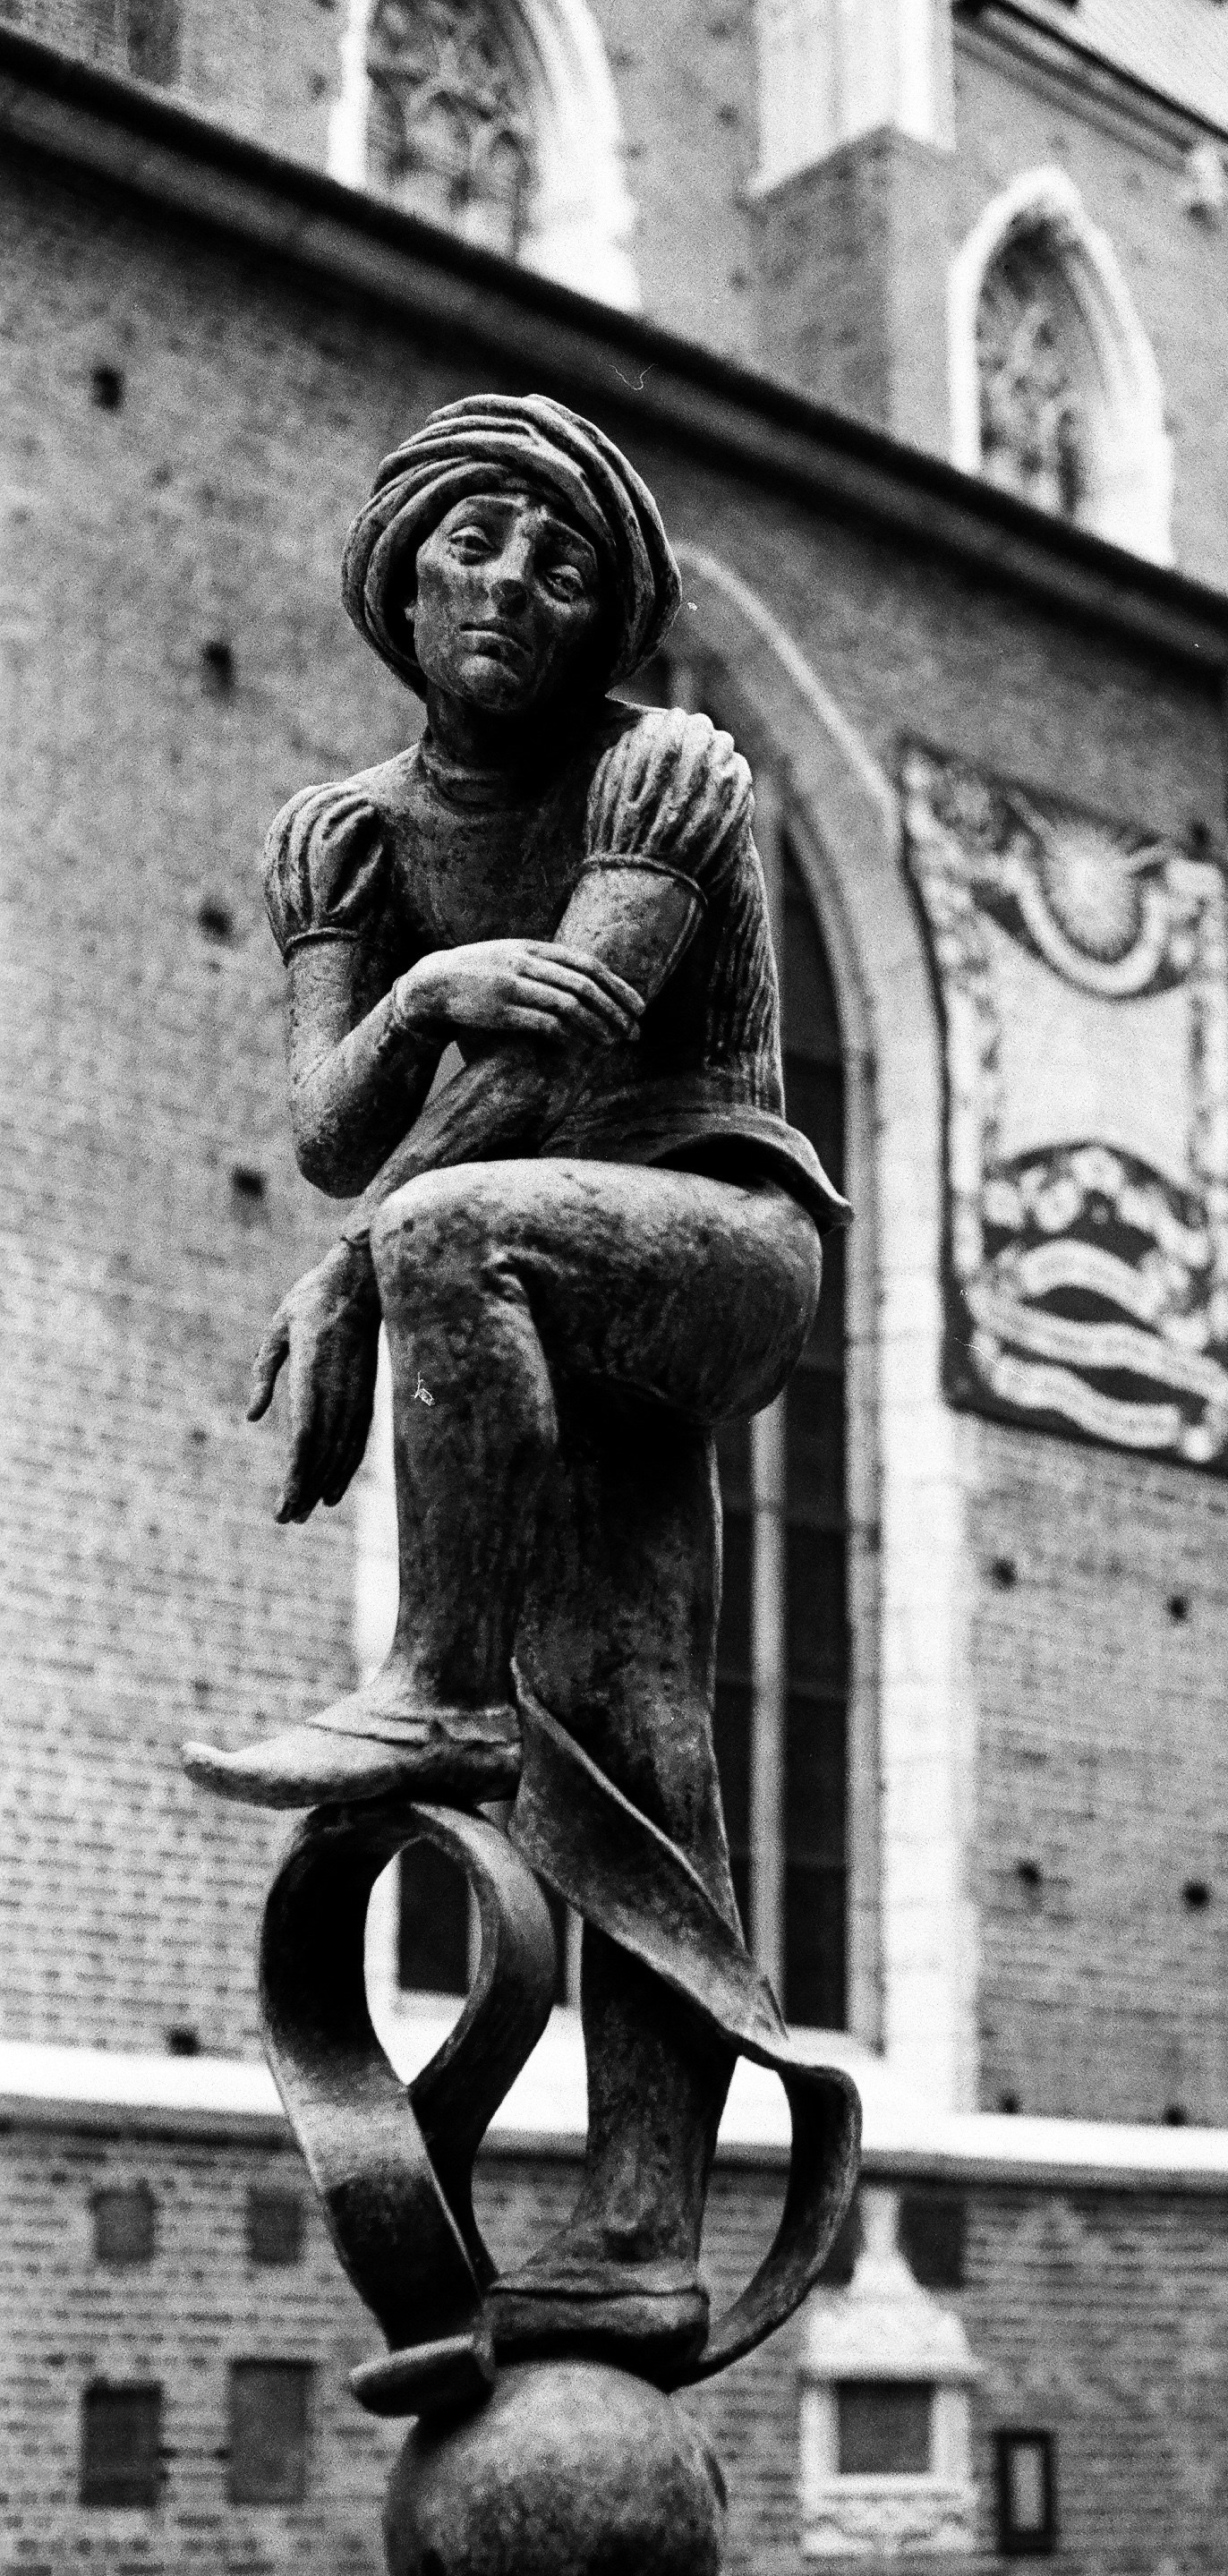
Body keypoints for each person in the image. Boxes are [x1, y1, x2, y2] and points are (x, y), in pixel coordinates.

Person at [183, 394, 846, 1814]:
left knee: (440, 1233)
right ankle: (666, 1985)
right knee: (633, 1702)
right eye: (473, 543)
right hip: (548, 1262)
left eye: (562, 573)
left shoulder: (661, 772)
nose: (507, 588)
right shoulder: (344, 830)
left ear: (602, 623)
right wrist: (423, 997)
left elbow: (561, 1049)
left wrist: (353, 1270)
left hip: (727, 1241)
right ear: (402, 575)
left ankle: (442, 1690)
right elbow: (330, 1133)